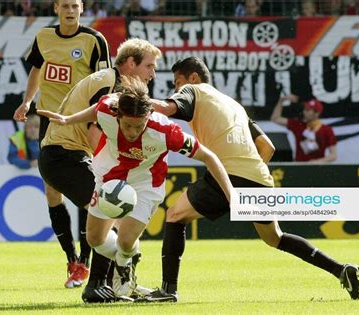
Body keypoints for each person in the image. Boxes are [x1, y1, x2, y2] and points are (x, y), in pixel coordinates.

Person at [136, 57, 359, 302]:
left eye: (177, 82)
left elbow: (166, 108)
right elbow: (267, 147)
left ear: (193, 78)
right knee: (275, 238)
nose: (176, 90)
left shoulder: (194, 90)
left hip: (228, 172)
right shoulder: (235, 105)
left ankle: (168, 290)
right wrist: (248, 179)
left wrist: (128, 99)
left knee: (174, 215)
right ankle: (341, 270)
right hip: (259, 176)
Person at [37, 76, 234, 301]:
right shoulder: (109, 108)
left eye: (138, 126)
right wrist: (68, 119)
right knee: (94, 239)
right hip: (108, 179)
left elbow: (209, 157)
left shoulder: (166, 131)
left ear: (148, 117)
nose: (132, 132)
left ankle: (124, 265)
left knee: (125, 240)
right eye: (127, 125)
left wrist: (231, 194)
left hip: (146, 185)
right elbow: (96, 109)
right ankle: (128, 261)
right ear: (118, 115)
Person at [37, 38, 163, 302]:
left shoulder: (108, 79)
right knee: (112, 212)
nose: (152, 74)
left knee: (112, 217)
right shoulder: (113, 84)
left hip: (62, 156)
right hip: (65, 157)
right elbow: (95, 127)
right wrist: (111, 172)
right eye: (149, 66)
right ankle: (99, 284)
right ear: (130, 63)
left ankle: (113, 282)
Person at [13, 0, 112, 289]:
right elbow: (37, 69)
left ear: (82, 8)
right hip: (48, 121)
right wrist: (28, 101)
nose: (70, 10)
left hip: (80, 122)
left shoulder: (94, 40)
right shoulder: (43, 36)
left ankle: (86, 257)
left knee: (87, 188)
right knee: (52, 193)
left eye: (75, 5)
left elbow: (105, 83)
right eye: (65, 5)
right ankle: (72, 259)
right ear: (56, 8)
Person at [271, 94, 337, 163]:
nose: (304, 111)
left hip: (318, 168)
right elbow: (275, 118)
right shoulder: (298, 125)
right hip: (299, 165)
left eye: (308, 110)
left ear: (317, 113)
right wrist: (281, 101)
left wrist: (316, 162)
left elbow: (333, 155)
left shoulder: (326, 130)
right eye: (305, 109)